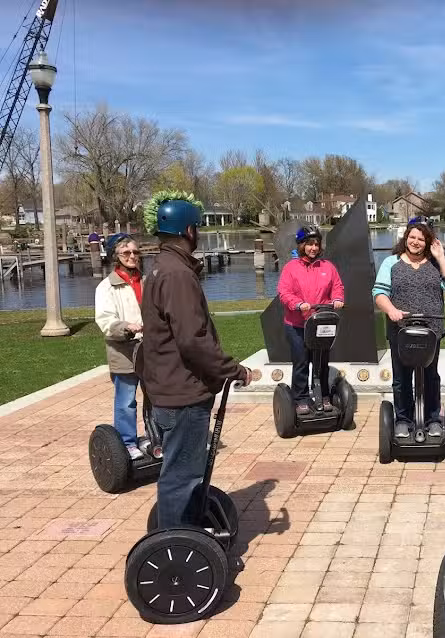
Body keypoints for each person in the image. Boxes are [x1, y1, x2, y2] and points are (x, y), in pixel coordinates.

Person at [141, 196, 252, 529]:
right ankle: (175, 548)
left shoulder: (162, 266)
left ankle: (183, 529)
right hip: (183, 394)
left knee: (182, 472)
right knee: (182, 476)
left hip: (170, 387)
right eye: (198, 227)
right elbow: (192, 341)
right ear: (189, 230)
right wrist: (235, 370)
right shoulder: (178, 275)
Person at [372, 216, 445, 438]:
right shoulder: (391, 263)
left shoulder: (434, 263)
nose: (416, 242)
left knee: (431, 376)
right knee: (401, 379)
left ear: (428, 241)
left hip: (431, 330)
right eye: (412, 236)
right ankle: (403, 419)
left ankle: (432, 419)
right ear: (406, 237)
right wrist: (391, 310)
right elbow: (379, 293)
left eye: (421, 238)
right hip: (401, 330)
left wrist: (440, 257)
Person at [277, 225, 345, 414]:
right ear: (301, 246)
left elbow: (337, 287)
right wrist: (298, 304)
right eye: (309, 244)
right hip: (297, 324)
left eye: (316, 244)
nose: (314, 248)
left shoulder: (327, 267)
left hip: (321, 323)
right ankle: (301, 398)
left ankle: (323, 394)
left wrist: (338, 299)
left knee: (322, 361)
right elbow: (284, 292)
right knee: (301, 361)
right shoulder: (291, 268)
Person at [94, 233, 145, 460]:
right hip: (124, 351)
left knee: (157, 397)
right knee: (126, 401)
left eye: (135, 252)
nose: (132, 256)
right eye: (127, 253)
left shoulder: (146, 280)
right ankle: (127, 442)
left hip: (151, 349)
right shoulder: (107, 287)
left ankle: (157, 436)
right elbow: (105, 320)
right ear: (116, 256)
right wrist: (126, 327)